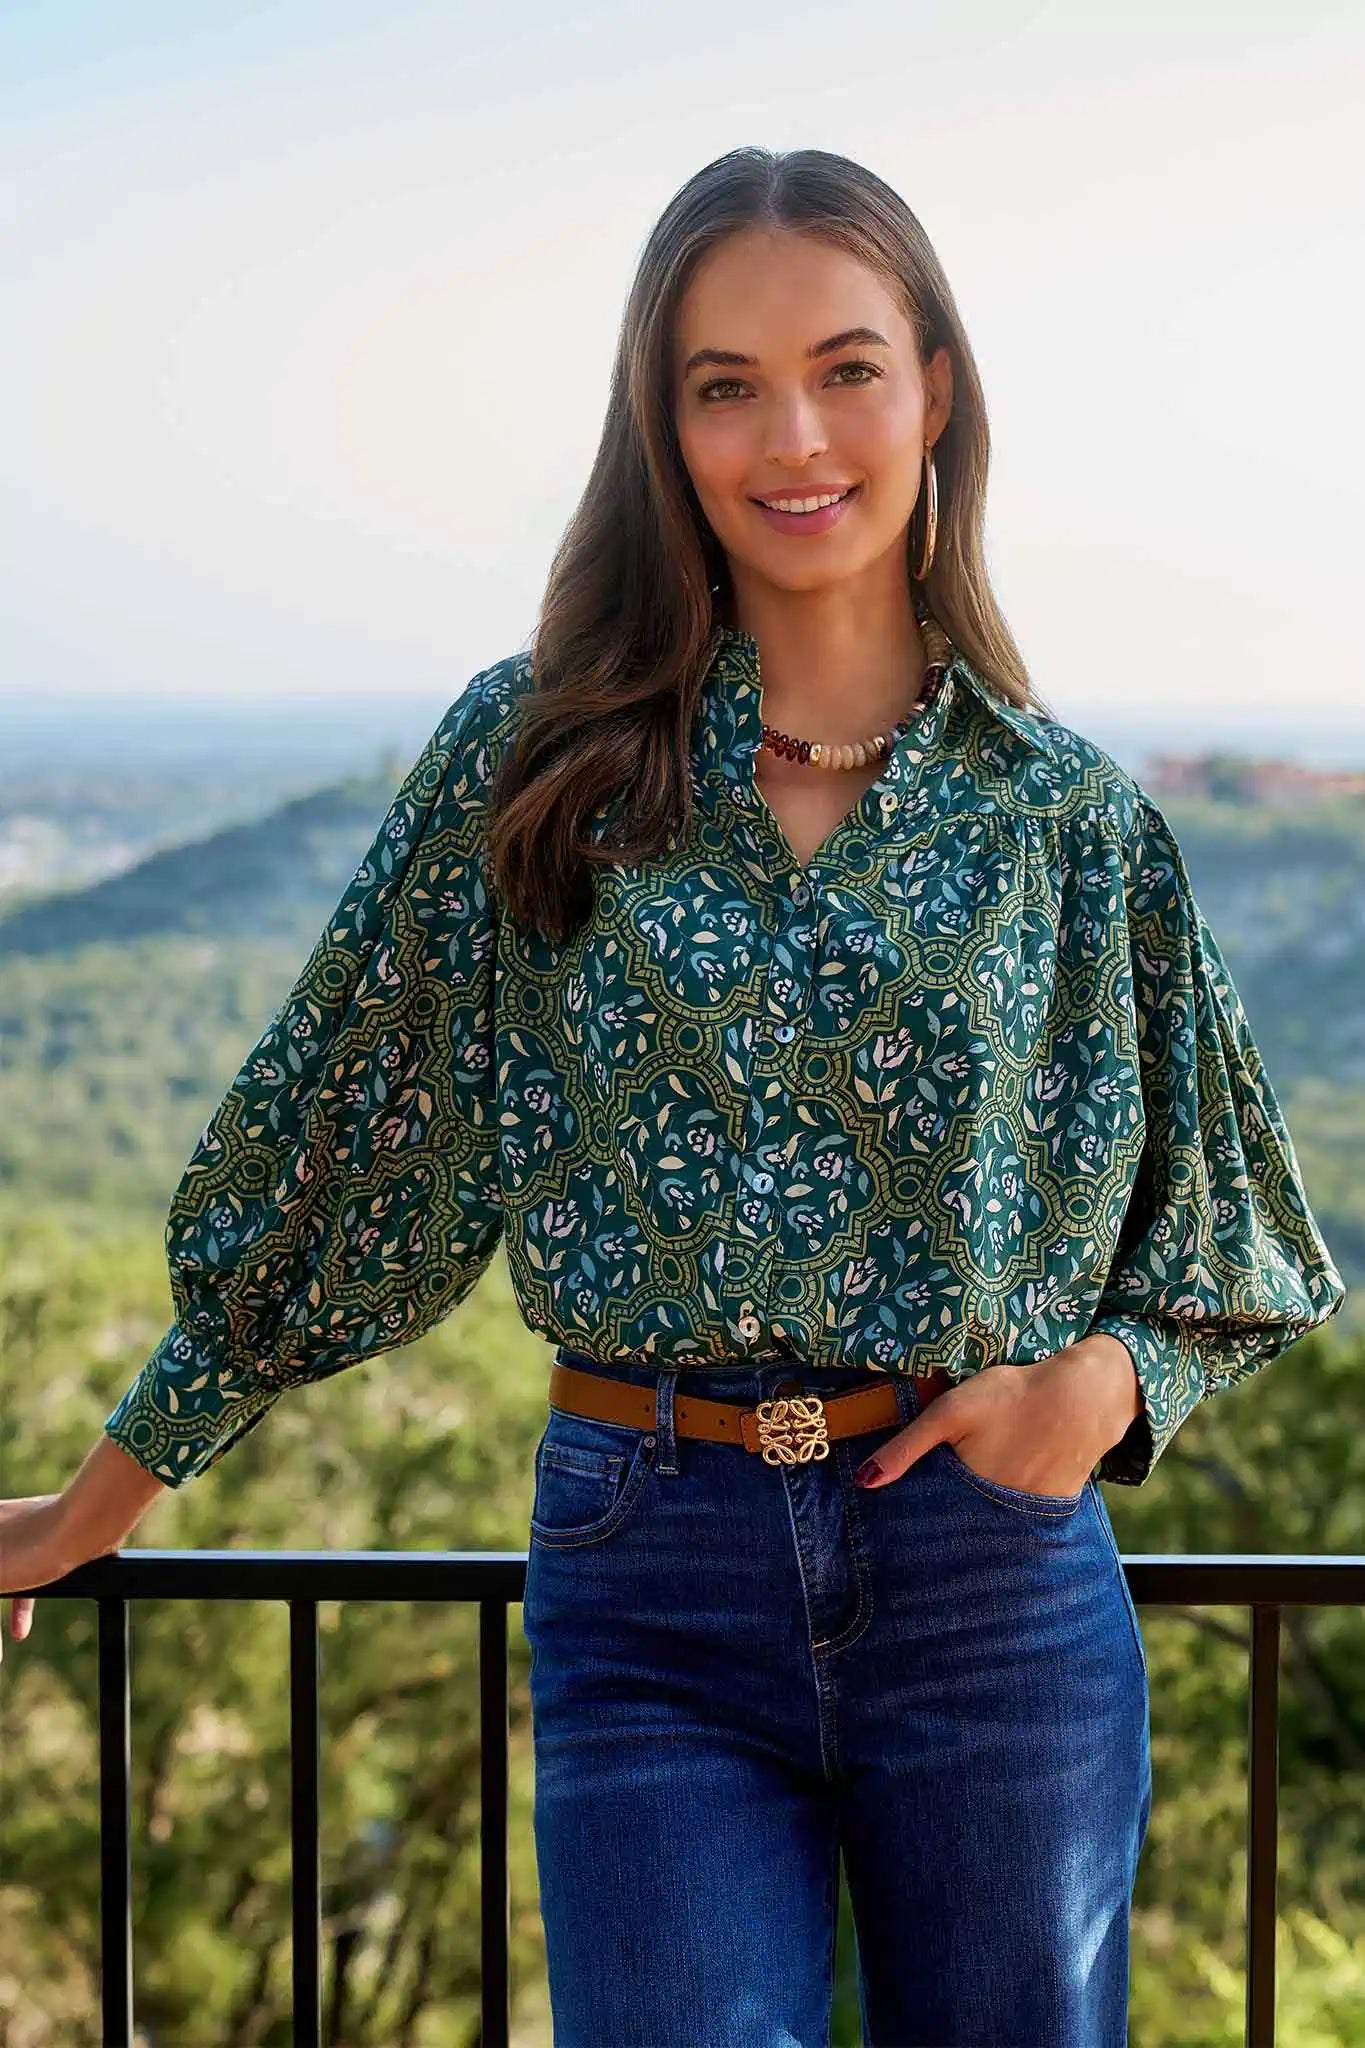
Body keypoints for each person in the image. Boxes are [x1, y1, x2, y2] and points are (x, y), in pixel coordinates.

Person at [1, 146, 1346, 2046]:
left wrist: (1113, 1384)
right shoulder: (536, 756)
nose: (790, 433)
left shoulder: (1065, 817)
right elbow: (338, 1151)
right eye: (725, 383)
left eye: (847, 366)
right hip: (649, 1572)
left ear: (937, 388)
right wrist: (95, 1498)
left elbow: (1238, 1232)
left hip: (989, 1587)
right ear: (664, 425)